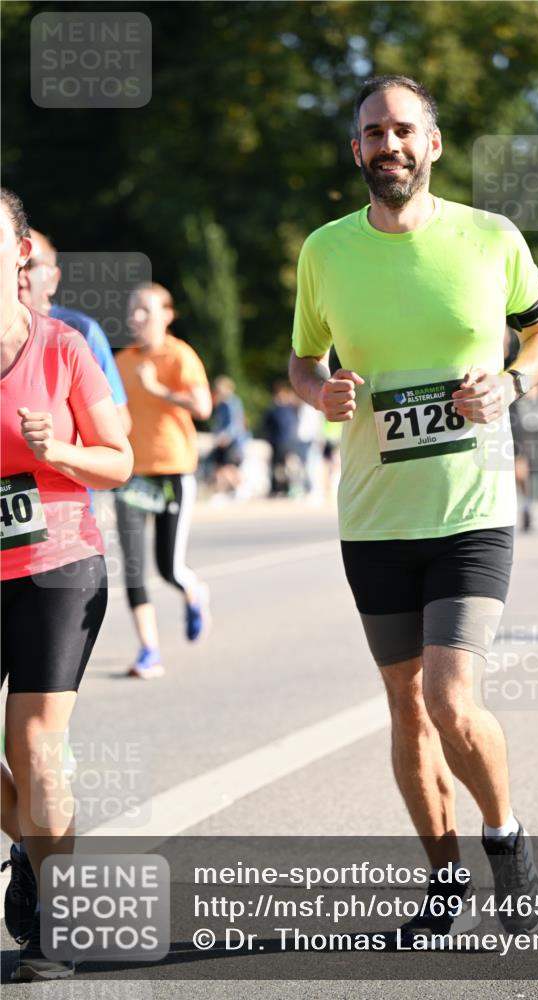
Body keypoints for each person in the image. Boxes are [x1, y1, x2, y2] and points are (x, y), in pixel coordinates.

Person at [289, 76, 538, 941]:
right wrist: (318, 394)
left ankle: (505, 839)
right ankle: (443, 882)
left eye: (403, 130)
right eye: (373, 133)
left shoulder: (490, 237)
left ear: (433, 145)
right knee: (405, 708)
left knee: (450, 698)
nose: (388, 145)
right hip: (373, 517)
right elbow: (302, 360)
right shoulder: (324, 252)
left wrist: (514, 381)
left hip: (471, 511)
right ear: (357, 150)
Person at [0, 188, 133, 981]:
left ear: (18, 254)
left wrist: (58, 451)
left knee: (38, 748)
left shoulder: (63, 349)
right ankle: (31, 845)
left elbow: (117, 462)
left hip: (56, 568)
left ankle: (55, 922)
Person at [114, 282, 213, 678]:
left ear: (167, 315)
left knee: (168, 566)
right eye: (132, 310)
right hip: (132, 476)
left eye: (146, 311)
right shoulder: (120, 361)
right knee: (134, 568)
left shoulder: (179, 355)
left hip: (172, 470)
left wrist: (158, 389)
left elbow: (203, 407)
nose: (136, 318)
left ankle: (193, 591)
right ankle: (149, 650)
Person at [17, 229, 131, 434]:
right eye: (14, 265)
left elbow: (120, 421)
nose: (21, 274)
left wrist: (61, 445)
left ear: (53, 278)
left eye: (31, 265)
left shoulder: (81, 331)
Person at [208, 375, 246, 501]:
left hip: (230, 441)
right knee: (219, 467)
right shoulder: (222, 404)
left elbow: (235, 423)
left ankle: (239, 488)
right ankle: (222, 491)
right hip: (223, 440)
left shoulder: (232, 403)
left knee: (227, 467)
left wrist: (225, 436)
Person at [264, 381, 299, 497]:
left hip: (286, 441)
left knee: (286, 467)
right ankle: (276, 488)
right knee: (276, 467)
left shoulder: (288, 409)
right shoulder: (276, 409)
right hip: (278, 441)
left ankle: (287, 488)